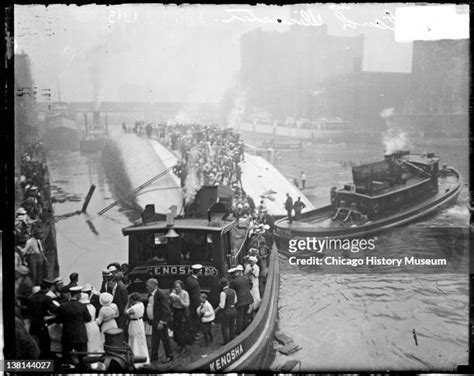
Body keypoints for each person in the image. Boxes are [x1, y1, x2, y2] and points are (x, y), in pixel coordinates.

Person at [54, 286, 91, 367]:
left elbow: (58, 320)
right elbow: (88, 318)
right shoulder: (82, 306)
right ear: (78, 295)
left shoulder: (63, 306)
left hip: (67, 336)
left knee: (66, 358)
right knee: (82, 359)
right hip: (80, 336)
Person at [146, 278, 173, 363]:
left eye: (148, 285)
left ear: (155, 286)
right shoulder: (150, 294)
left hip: (160, 322)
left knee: (165, 339)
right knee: (155, 339)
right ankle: (154, 356)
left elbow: (166, 310)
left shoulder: (161, 294)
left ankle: (170, 356)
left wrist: (162, 322)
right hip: (154, 321)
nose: (146, 287)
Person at [125, 292, 150, 367]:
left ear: (132, 300)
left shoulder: (133, 308)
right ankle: (143, 357)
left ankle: (136, 359)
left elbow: (125, 312)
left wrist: (128, 303)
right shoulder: (141, 304)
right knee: (141, 341)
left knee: (134, 341)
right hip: (140, 322)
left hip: (135, 324)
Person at [229, 265, 252, 335]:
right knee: (245, 314)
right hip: (248, 299)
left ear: (233, 274)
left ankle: (239, 331)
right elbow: (251, 285)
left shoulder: (233, 281)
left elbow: (231, 291)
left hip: (240, 301)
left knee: (239, 316)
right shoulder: (245, 278)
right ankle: (245, 327)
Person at [169, 280, 191, 354]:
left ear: (181, 286)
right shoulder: (174, 293)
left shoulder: (185, 293)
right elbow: (171, 303)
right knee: (176, 329)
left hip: (182, 312)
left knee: (182, 330)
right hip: (176, 311)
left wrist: (179, 299)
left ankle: (184, 346)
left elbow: (186, 305)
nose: (176, 288)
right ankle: (179, 343)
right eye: (175, 287)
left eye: (178, 287)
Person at [214, 278, 237, 345]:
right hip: (233, 310)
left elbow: (222, 305)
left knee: (224, 327)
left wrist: (215, 311)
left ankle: (226, 342)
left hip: (226, 312)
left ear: (221, 285)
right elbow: (235, 301)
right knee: (232, 326)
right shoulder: (233, 291)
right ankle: (232, 339)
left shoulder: (223, 293)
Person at [184, 264, 202, 341]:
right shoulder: (195, 283)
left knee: (191, 320)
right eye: (200, 270)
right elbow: (196, 297)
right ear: (198, 272)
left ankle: (192, 334)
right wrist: (199, 307)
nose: (201, 271)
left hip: (189, 303)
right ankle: (195, 336)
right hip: (194, 305)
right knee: (195, 320)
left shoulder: (189, 279)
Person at [110, 272, 129, 340]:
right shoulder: (114, 288)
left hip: (122, 315)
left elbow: (126, 301)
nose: (109, 285)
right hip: (118, 314)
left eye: (110, 283)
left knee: (122, 331)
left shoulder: (121, 289)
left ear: (115, 281)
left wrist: (122, 312)